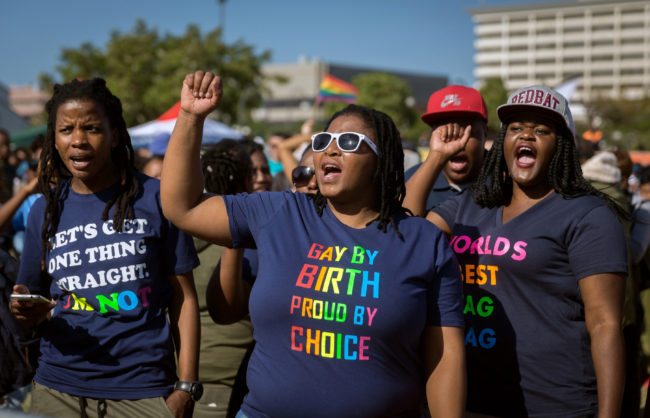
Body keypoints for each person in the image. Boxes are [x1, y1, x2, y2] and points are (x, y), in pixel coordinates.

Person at [161, 70, 466, 418]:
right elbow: (182, 207)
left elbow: (445, 358)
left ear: (382, 161)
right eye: (322, 141)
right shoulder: (280, 212)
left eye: (350, 142)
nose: (331, 149)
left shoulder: (423, 241)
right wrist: (190, 117)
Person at [405, 85, 627, 417]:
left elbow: (605, 324)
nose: (526, 136)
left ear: (561, 145)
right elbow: (407, 234)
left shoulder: (586, 215)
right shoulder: (472, 204)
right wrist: (436, 155)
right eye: (516, 128)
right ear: (505, 142)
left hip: (552, 403)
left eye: (541, 130)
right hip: (470, 397)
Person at [10, 78, 200, 418]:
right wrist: (25, 309)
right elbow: (32, 297)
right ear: (53, 139)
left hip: (142, 393)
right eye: (66, 129)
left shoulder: (156, 198)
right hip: (57, 391)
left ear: (114, 134)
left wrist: (186, 388)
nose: (79, 140)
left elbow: (183, 298)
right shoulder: (45, 209)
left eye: (92, 128)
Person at [193, 140, 257, 418]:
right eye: (256, 172)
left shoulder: (176, 230)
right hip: (230, 385)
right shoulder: (249, 238)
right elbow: (227, 309)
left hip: (178, 380)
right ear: (247, 181)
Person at [404, 85, 488, 210]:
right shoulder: (412, 178)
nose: (455, 140)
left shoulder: (506, 178)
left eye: (466, 131)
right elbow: (403, 226)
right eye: (444, 132)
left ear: (484, 133)